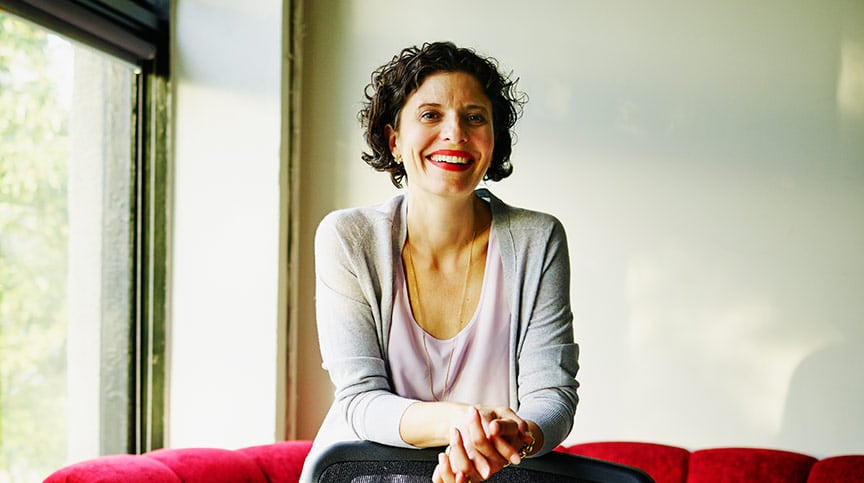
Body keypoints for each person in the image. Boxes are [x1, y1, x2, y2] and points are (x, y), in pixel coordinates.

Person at [301, 41, 579, 483]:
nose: (456, 133)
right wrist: (466, 423)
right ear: (394, 140)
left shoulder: (538, 238)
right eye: (431, 115)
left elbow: (553, 395)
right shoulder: (348, 237)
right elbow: (359, 400)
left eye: (474, 117)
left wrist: (513, 435)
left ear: (493, 141)